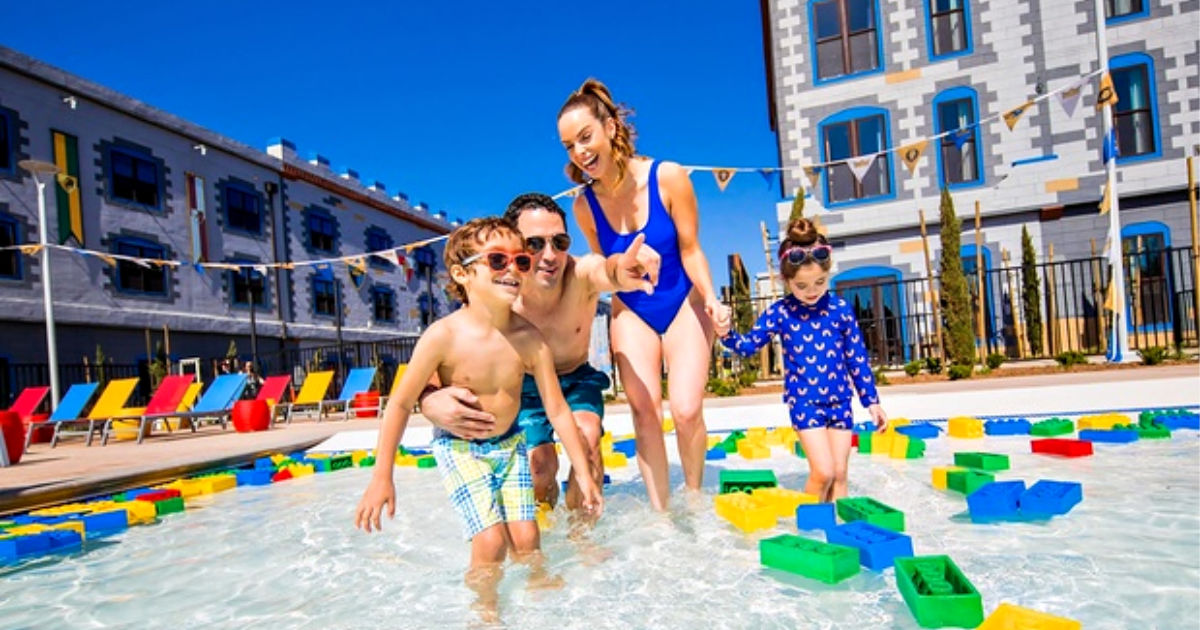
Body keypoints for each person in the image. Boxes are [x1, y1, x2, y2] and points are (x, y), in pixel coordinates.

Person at [354, 217, 604, 622]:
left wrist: (584, 471)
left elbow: (557, 409)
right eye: (497, 260)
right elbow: (399, 403)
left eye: (521, 262)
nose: (512, 270)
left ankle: (542, 602)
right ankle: (485, 610)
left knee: (527, 538)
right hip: (462, 449)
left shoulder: (529, 339)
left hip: (510, 446)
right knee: (491, 541)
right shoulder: (443, 336)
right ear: (461, 273)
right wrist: (382, 475)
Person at [421, 193, 660, 515]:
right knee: (540, 466)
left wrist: (623, 270)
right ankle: (542, 541)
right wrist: (428, 398)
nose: (550, 256)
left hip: (576, 378)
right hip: (524, 385)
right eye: (534, 245)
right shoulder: (501, 293)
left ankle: (584, 540)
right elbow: (454, 347)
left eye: (559, 242)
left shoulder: (580, 274)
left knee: (587, 437)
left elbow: (607, 269)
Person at [556, 78, 732, 511]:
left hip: (682, 301)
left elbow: (691, 249)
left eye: (585, 137)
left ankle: (692, 497)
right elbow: (603, 270)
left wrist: (711, 296)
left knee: (687, 409)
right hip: (632, 309)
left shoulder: (667, 177)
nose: (579, 152)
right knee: (645, 411)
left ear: (611, 128)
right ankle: (661, 515)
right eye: (568, 146)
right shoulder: (584, 206)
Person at [720, 218, 888, 502]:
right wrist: (725, 333)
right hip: (805, 402)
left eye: (820, 282)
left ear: (828, 272)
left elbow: (856, 358)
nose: (811, 291)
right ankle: (807, 530)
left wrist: (871, 401)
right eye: (801, 285)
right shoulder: (781, 312)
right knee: (822, 472)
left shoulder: (840, 310)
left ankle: (841, 535)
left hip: (840, 401)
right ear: (786, 281)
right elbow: (749, 345)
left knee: (840, 473)